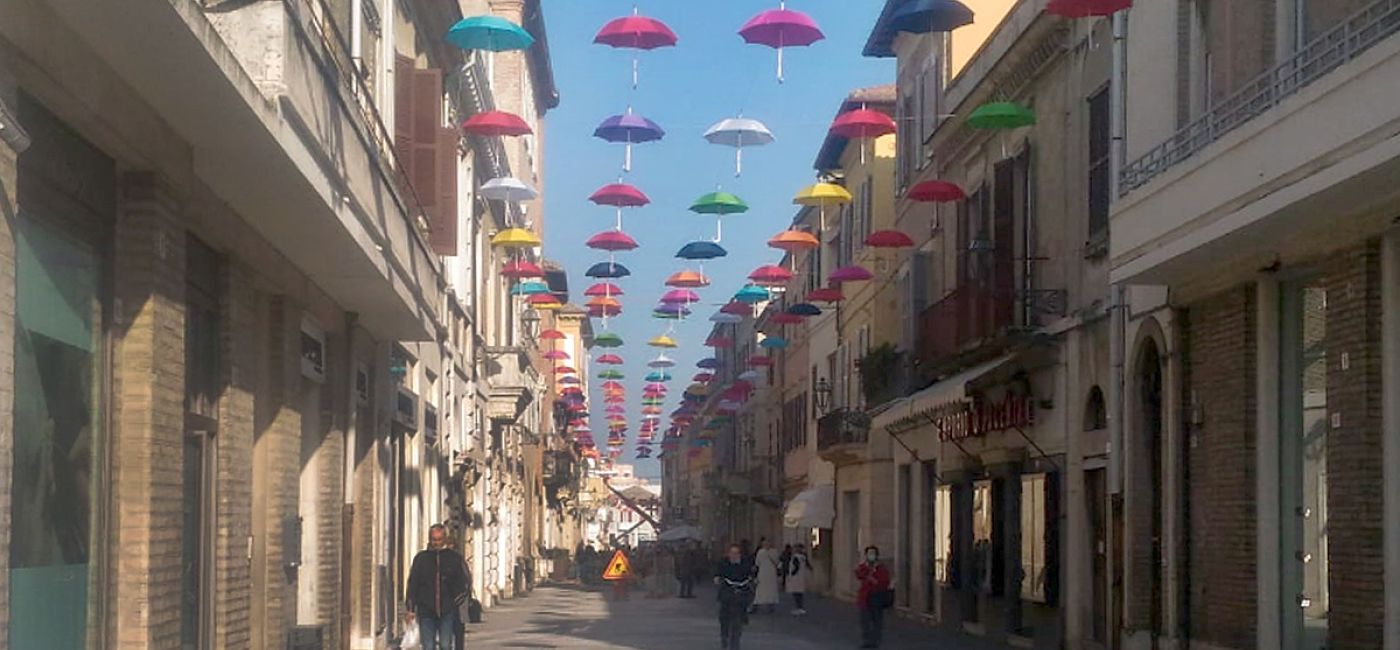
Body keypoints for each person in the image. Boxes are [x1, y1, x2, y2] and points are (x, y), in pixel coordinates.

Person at [405, 524, 470, 650]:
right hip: (426, 610)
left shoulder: (454, 558)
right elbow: (413, 583)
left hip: (447, 609)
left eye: (439, 540)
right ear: (429, 539)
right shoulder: (421, 559)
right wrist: (411, 608)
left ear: (445, 539)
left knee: (445, 645)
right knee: (428, 646)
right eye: (434, 540)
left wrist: (457, 599)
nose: (436, 543)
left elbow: (464, 582)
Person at [714, 543, 757, 650]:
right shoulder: (723, 563)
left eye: (736, 553)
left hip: (741, 592)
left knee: (739, 615)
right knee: (724, 617)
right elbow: (717, 573)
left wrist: (752, 579)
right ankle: (724, 637)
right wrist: (717, 578)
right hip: (727, 591)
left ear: (739, 554)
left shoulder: (745, 563)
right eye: (732, 553)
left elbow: (750, 574)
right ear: (728, 554)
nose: (734, 555)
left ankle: (735, 641)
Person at [855, 545, 892, 649]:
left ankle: (875, 641)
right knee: (865, 621)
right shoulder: (864, 566)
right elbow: (858, 573)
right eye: (869, 553)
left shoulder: (881, 568)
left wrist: (875, 580)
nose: (871, 555)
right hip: (865, 598)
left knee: (877, 621)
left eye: (873, 553)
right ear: (866, 555)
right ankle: (866, 641)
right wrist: (868, 572)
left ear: (876, 555)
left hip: (877, 598)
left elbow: (885, 581)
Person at [751, 538, 781, 614]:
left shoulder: (774, 552)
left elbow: (777, 562)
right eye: (764, 543)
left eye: (767, 543)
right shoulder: (760, 552)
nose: (766, 545)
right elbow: (757, 563)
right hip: (762, 573)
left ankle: (771, 607)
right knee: (759, 590)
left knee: (771, 591)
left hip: (771, 574)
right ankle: (755, 606)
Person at [786, 544, 812, 615]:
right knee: (800, 593)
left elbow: (796, 567)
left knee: (796, 593)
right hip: (802, 577)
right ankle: (800, 607)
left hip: (796, 577)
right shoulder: (804, 557)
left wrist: (791, 575)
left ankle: (798, 608)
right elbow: (808, 566)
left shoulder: (795, 557)